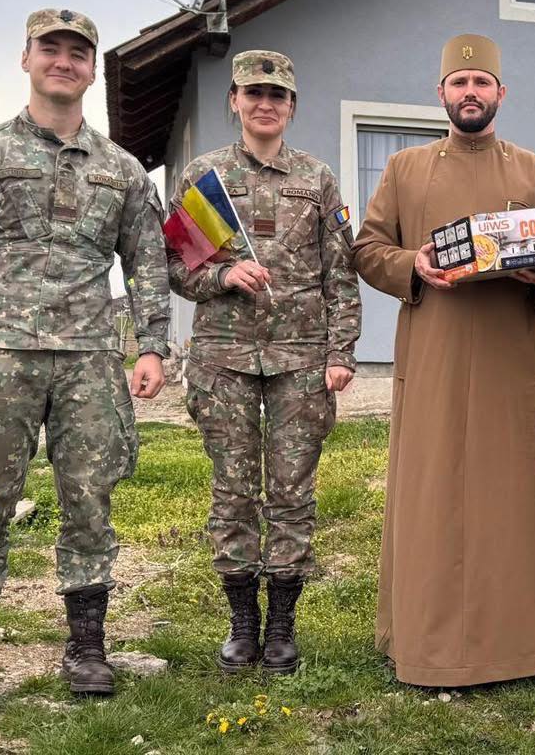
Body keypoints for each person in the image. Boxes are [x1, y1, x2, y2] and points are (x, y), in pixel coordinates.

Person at [0, 8, 170, 713]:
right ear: (25, 58)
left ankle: (87, 648)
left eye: (77, 52)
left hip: (91, 359)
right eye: (50, 48)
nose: (64, 61)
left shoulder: (121, 170)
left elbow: (147, 262)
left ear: (91, 70)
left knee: (90, 501)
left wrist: (152, 344)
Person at [354, 33, 535, 687]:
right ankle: (422, 642)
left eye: (481, 83)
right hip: (433, 353)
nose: (470, 93)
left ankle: (513, 646)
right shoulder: (404, 169)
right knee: (431, 492)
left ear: (500, 93)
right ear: (442, 92)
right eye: (459, 83)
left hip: (508, 357)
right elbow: (368, 248)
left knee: (509, 494)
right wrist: (411, 264)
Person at [167, 50, 360, 676]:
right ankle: (242, 624)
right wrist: (223, 275)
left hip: (300, 360)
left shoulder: (317, 178)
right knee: (232, 490)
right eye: (253, 92)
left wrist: (341, 351)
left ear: (292, 106)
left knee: (292, 492)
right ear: (235, 101)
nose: (265, 103)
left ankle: (281, 626)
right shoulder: (205, 176)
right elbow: (177, 267)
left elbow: (342, 274)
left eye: (277, 94)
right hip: (223, 358)